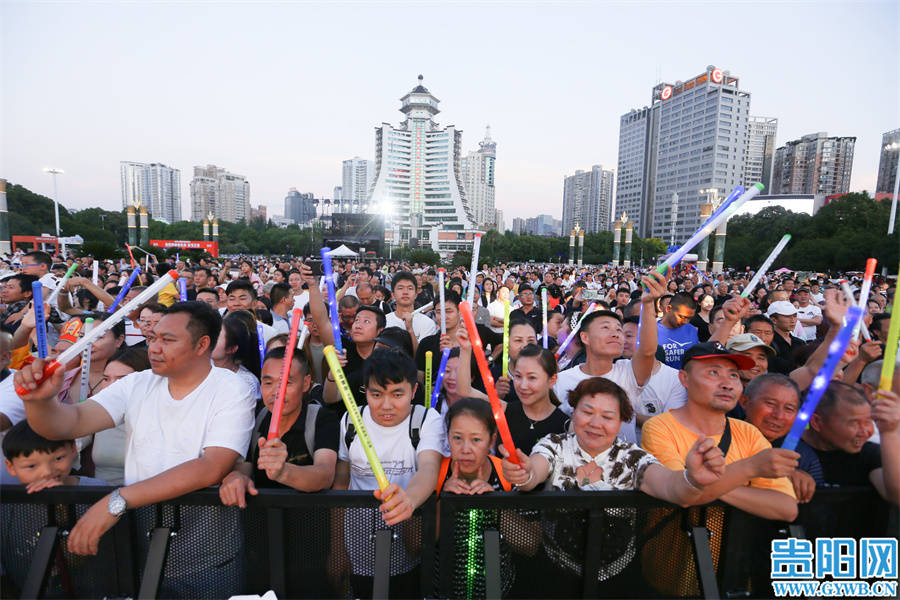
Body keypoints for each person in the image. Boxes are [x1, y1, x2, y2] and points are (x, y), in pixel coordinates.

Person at [13, 300, 255, 597]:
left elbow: (211, 466)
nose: (154, 348)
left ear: (202, 344)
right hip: (140, 547)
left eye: (167, 340)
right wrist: (38, 400)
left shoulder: (232, 388)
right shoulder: (137, 383)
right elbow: (69, 423)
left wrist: (117, 500)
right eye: (152, 338)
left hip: (207, 554)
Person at [500, 377, 726, 598]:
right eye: (587, 412)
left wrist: (693, 479)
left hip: (619, 579)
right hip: (555, 574)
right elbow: (535, 470)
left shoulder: (632, 456)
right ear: (574, 412)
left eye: (607, 417)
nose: (595, 423)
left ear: (620, 423)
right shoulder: (554, 445)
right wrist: (524, 473)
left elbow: (670, 485)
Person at [330, 348, 443, 598]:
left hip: (407, 551)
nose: (386, 405)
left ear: (414, 392)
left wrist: (410, 499)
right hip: (355, 549)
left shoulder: (427, 420)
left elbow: (429, 468)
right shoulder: (350, 421)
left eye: (397, 394)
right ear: (366, 392)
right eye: (376, 394)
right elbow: (340, 482)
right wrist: (337, 547)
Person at [641, 342, 799, 521]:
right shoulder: (660, 428)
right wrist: (749, 469)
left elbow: (786, 507)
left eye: (733, 375)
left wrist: (705, 486)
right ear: (684, 378)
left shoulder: (748, 432)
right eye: (713, 372)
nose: (727, 384)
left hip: (734, 548)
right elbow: (683, 493)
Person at [553, 271, 668, 444]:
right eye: (605, 328)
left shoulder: (628, 373)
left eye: (618, 329)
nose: (615, 333)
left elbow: (647, 351)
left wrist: (649, 303)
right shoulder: (561, 381)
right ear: (585, 337)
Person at [219, 346, 337, 506]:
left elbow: (325, 475)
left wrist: (283, 472)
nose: (276, 392)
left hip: (309, 525)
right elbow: (243, 468)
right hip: (260, 525)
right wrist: (236, 478)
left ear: (306, 383)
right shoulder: (254, 416)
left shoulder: (321, 419)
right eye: (268, 382)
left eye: (287, 383)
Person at [802, 381, 899, 505]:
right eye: (854, 423)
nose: (865, 432)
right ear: (816, 422)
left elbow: (896, 496)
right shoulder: (789, 448)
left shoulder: (869, 454)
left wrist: (888, 432)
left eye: (869, 421)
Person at [737, 373, 823, 503]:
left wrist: (806, 488)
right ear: (744, 402)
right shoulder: (721, 436)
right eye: (770, 404)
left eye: (789, 409)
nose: (779, 415)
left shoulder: (802, 456)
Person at [90, 346, 152, 485]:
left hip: (149, 501)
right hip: (100, 499)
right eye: (106, 379)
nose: (112, 387)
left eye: (122, 380)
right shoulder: (96, 412)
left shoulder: (166, 418)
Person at [211, 310, 263, 400]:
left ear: (232, 348)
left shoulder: (246, 382)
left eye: (216, 337)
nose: (209, 340)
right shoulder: (201, 367)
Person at [385, 271, 437, 354]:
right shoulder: (384, 321)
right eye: (400, 288)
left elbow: (421, 357)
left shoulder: (428, 324)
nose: (405, 292)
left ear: (416, 294)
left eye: (410, 288)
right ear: (393, 294)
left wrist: (410, 330)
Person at [657, 292, 699, 369]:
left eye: (689, 318)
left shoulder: (692, 330)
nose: (685, 322)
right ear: (669, 309)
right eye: (682, 317)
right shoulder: (651, 330)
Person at [766, 301, 805, 367]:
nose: (793, 320)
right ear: (774, 320)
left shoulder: (799, 342)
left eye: (795, 316)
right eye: (788, 316)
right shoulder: (768, 343)